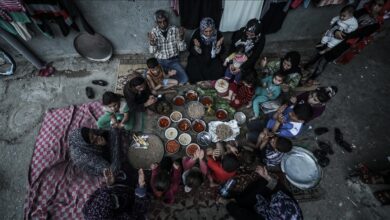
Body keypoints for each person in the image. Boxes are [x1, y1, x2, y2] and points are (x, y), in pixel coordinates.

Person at [304, 0, 389, 80]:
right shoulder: (363, 10)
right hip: (338, 34)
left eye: (379, 5)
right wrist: (336, 30)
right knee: (321, 51)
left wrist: (340, 33)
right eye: (374, 3)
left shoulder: (377, 24)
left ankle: (312, 77)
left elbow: (360, 33)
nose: (375, 7)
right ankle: (308, 65)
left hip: (346, 43)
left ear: (384, 7)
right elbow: (346, 18)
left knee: (326, 58)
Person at [224, 166, 303, 220]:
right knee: (264, 183)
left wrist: (228, 204)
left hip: (257, 211)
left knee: (238, 203)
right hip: (266, 203)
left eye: (273, 200)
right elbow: (279, 189)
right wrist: (266, 176)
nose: (274, 196)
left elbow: (242, 215)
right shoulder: (292, 208)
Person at [82, 169, 151, 220]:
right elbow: (139, 211)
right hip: (135, 195)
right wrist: (141, 186)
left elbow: (99, 192)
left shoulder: (87, 210)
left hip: (118, 184)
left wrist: (110, 185)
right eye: (115, 202)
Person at [148, 10, 188, 84]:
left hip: (173, 61)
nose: (163, 24)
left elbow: (182, 49)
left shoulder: (175, 30)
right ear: (156, 22)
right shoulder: (154, 32)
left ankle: (168, 78)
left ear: (168, 20)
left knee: (184, 79)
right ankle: (168, 78)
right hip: (160, 62)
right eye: (159, 22)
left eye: (164, 21)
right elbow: (152, 51)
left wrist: (181, 38)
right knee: (151, 79)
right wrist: (152, 43)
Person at [186, 17, 225, 83]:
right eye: (206, 31)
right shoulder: (197, 33)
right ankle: (198, 83)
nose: (208, 34)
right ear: (202, 29)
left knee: (218, 69)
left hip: (213, 58)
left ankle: (212, 84)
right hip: (199, 57)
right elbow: (191, 50)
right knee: (193, 68)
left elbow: (222, 51)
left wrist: (218, 47)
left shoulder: (218, 34)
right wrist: (197, 48)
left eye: (210, 31)